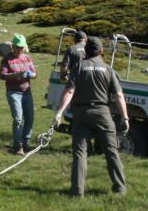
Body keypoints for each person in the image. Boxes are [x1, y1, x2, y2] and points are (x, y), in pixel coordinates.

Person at [53, 36, 128, 196]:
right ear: (101, 51)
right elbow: (119, 95)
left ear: (85, 51)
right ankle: (120, 188)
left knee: (80, 153)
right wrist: (125, 117)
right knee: (111, 151)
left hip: (81, 114)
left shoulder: (79, 67)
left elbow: (70, 91)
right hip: (102, 113)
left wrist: (59, 112)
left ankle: (77, 191)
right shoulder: (108, 69)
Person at [0, 33, 37, 155]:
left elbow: (35, 74)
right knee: (18, 119)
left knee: (30, 118)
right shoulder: (7, 59)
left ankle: (26, 142)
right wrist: (15, 75)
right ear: (13, 46)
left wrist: (30, 75)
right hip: (13, 92)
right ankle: (18, 145)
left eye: (22, 47)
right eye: (18, 47)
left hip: (27, 91)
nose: (20, 50)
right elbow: (2, 75)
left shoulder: (27, 58)